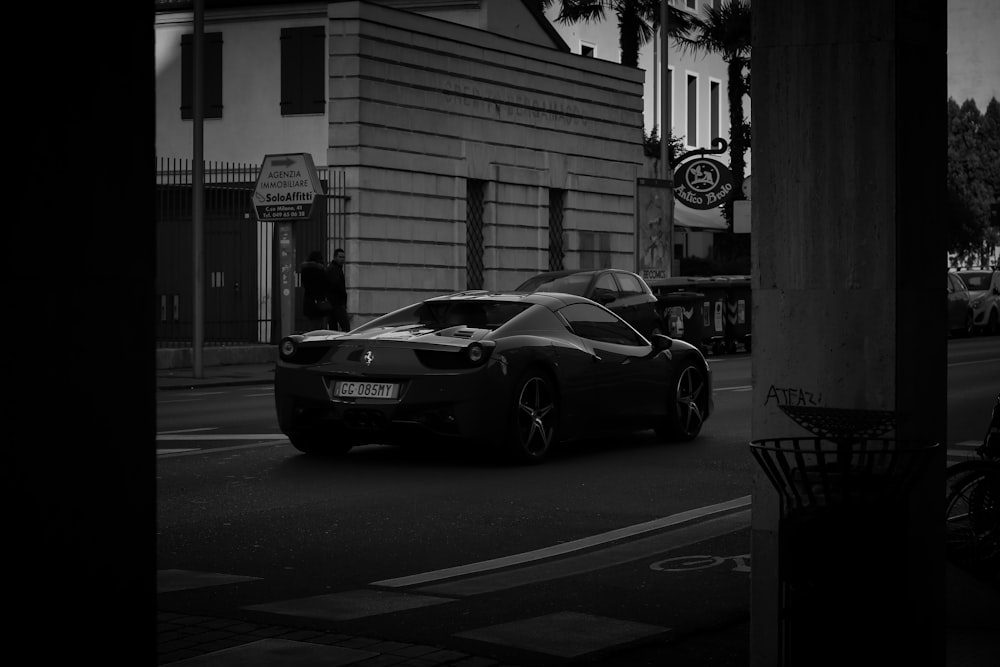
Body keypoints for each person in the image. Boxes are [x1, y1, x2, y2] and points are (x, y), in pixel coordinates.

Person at [300, 250, 333, 329]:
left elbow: (304, 284)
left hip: (308, 301)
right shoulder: (320, 271)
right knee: (319, 326)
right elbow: (327, 284)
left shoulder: (304, 270)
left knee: (312, 325)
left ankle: (312, 339)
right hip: (319, 302)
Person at [326, 247, 351, 331]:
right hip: (337, 304)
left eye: (343, 257)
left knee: (333, 328)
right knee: (345, 327)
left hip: (333, 303)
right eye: (340, 257)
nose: (342, 259)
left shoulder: (334, 268)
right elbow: (336, 286)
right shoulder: (334, 269)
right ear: (335, 257)